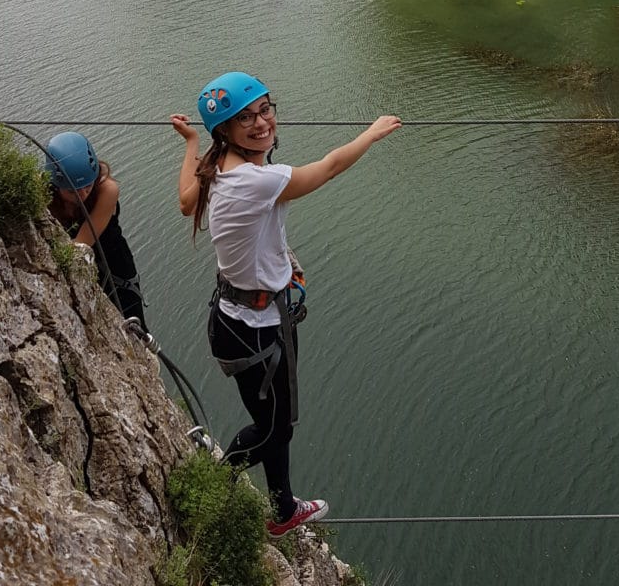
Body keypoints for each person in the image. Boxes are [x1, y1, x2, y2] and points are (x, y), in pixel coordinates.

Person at [171, 71, 401, 539]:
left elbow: (182, 202)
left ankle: (281, 509)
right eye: (245, 119)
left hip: (236, 318)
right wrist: (372, 134)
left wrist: (192, 143)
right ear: (227, 132)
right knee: (275, 429)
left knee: (271, 422)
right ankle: (222, 482)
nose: (261, 123)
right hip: (257, 328)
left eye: (265, 110)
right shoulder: (255, 181)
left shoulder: (216, 166)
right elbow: (330, 166)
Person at [46, 131, 146, 329]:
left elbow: (82, 244)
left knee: (135, 329)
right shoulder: (45, 194)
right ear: (56, 185)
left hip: (114, 268)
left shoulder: (107, 189)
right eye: (72, 191)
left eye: (87, 186)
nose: (82, 195)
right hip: (78, 266)